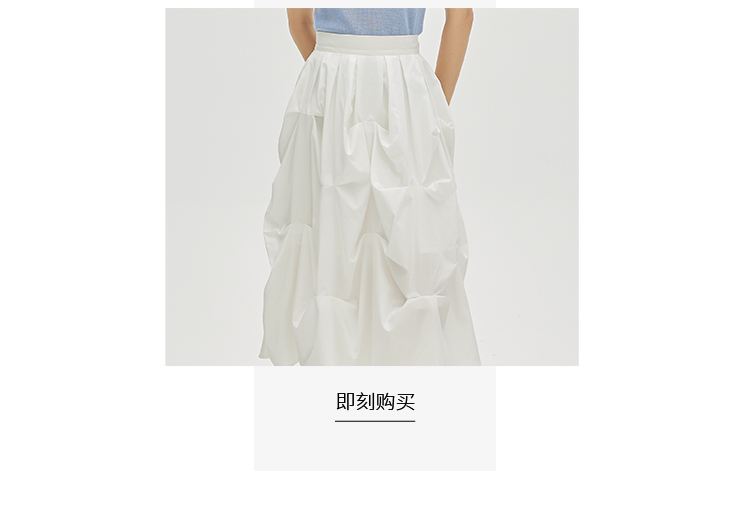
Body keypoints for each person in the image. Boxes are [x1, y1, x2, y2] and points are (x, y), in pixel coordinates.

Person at [259, 8, 481, 366]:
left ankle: (336, 373)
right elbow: (462, 15)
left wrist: (336, 77)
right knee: (412, 242)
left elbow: (299, 20)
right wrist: (431, 102)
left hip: (332, 84)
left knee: (331, 238)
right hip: (404, 87)